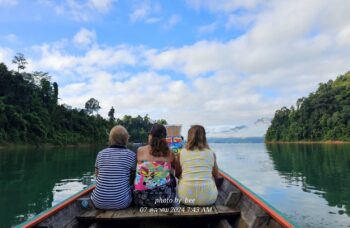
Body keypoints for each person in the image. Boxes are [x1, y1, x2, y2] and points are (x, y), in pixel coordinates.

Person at [91, 125, 136, 210]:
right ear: (126, 139)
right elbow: (132, 179)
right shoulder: (131, 155)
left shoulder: (100, 154)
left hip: (98, 202)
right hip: (122, 203)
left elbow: (97, 175)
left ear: (110, 139)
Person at [133, 124, 176, 207]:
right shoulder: (170, 152)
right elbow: (173, 173)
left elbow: (139, 172)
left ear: (151, 136)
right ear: (164, 138)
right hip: (164, 199)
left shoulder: (140, 150)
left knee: (143, 172)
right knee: (171, 176)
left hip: (140, 199)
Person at [175, 125, 219, 206]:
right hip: (208, 199)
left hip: (186, 197)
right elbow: (216, 176)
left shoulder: (181, 153)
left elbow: (177, 174)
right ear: (204, 137)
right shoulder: (211, 153)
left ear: (189, 137)